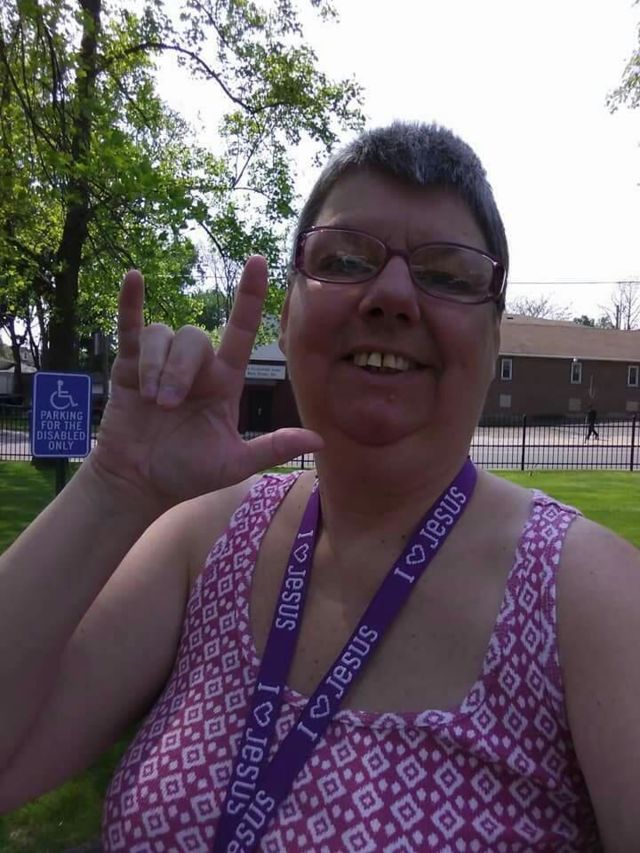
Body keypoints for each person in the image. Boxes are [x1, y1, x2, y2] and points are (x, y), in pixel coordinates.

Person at [0, 122, 638, 852]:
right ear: (287, 316)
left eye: (448, 274)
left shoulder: (587, 596)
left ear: (494, 340)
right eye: (345, 259)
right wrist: (115, 488)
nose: (392, 295)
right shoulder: (202, 543)